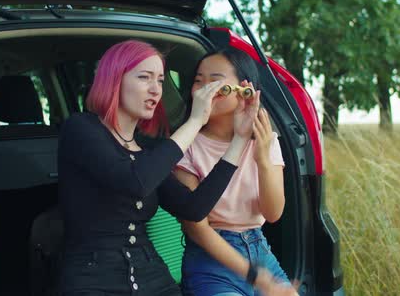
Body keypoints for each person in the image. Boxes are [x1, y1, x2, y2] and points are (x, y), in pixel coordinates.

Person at [57, 40, 260, 295]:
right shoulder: (81, 129)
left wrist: (239, 141)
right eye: (145, 77)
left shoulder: (146, 148)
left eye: (161, 81)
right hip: (93, 277)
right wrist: (196, 121)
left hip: (151, 275)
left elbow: (194, 208)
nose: (156, 90)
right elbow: (135, 182)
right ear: (114, 79)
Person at [175, 48, 299, 296]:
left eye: (215, 81)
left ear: (245, 90)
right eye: (198, 81)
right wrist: (256, 277)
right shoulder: (185, 145)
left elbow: (273, 213)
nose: (205, 89)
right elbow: (196, 227)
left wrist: (263, 159)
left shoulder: (265, 140)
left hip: (259, 249)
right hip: (211, 258)